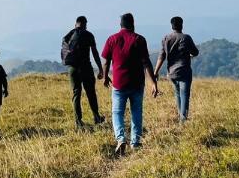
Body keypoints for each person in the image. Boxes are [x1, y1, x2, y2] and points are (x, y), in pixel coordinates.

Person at [101, 12, 158, 156]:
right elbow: (146, 63)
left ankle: (121, 138)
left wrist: (105, 77)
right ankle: (135, 142)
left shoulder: (112, 39)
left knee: (117, 112)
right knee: (136, 112)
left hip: (119, 83)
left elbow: (106, 61)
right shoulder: (139, 39)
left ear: (120, 25)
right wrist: (154, 83)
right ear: (133, 24)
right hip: (137, 83)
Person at [61, 15, 105, 129]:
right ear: (85, 24)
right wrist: (100, 69)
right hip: (85, 67)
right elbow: (95, 53)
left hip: (72, 68)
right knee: (90, 92)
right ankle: (96, 117)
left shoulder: (69, 34)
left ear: (76, 24)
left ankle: (78, 121)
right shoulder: (88, 35)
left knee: (76, 93)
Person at [154, 16, 199, 122]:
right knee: (185, 95)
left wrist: (156, 71)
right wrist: (189, 55)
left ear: (172, 26)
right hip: (184, 71)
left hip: (172, 73)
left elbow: (161, 56)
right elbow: (195, 52)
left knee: (178, 93)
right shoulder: (186, 38)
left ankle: (180, 116)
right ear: (182, 25)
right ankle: (183, 120)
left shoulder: (166, 38)